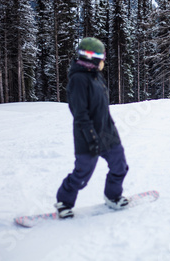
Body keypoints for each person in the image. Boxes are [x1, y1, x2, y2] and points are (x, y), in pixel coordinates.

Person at [55, 37, 129, 219]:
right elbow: (80, 114)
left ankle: (113, 196)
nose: (103, 60)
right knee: (82, 174)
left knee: (119, 166)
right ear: (92, 58)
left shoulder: (95, 76)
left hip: (107, 132)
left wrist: (111, 129)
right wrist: (91, 137)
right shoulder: (79, 80)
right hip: (86, 135)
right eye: (101, 57)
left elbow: (102, 107)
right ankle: (64, 202)